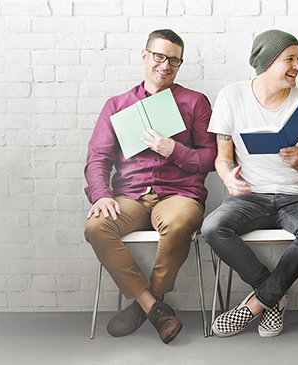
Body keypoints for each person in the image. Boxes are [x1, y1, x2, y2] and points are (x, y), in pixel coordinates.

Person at [81, 29, 213, 344]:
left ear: (180, 64)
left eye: (174, 60)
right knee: (97, 226)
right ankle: (154, 307)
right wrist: (100, 195)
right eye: (159, 56)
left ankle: (147, 303)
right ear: (145, 55)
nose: (166, 65)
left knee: (177, 223)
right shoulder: (117, 105)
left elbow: (212, 157)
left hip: (180, 195)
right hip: (130, 197)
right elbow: (97, 159)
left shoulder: (195, 102)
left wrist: (174, 150)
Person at [203, 29, 298, 338]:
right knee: (212, 228)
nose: (297, 66)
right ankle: (273, 295)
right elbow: (223, 158)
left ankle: (257, 305)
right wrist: (228, 179)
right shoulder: (231, 97)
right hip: (249, 195)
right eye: (290, 59)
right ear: (267, 61)